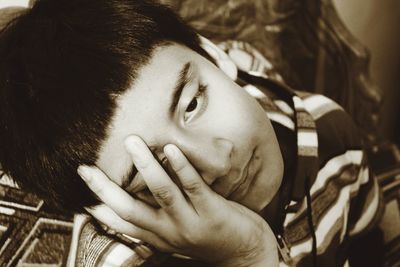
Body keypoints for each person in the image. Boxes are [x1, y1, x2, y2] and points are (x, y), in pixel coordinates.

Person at [0, 0, 382, 266]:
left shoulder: (327, 128)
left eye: (193, 105)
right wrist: (249, 257)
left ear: (214, 56)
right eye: (154, 172)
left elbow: (371, 241)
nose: (216, 163)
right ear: (109, 207)